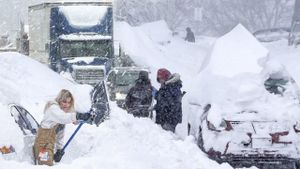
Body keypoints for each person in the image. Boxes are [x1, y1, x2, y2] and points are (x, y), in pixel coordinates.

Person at [33, 89, 92, 166]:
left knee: (48, 165)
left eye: (69, 102)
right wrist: (77, 116)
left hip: (49, 144)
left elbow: (60, 134)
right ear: (59, 100)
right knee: (45, 166)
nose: (66, 105)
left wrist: (59, 149)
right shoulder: (53, 108)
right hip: (43, 145)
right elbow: (64, 117)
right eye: (64, 102)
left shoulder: (61, 114)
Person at [154, 68, 183, 133]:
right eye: (159, 79)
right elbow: (162, 100)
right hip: (163, 120)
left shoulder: (172, 88)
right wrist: (156, 106)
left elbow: (173, 104)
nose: (160, 81)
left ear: (166, 78)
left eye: (162, 79)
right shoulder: (165, 87)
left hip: (169, 121)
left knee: (168, 139)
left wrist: (162, 107)